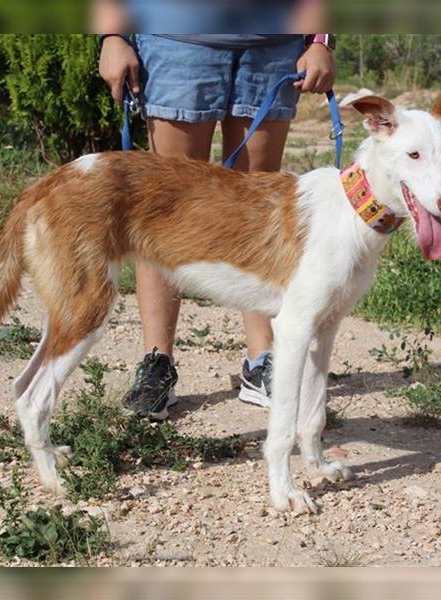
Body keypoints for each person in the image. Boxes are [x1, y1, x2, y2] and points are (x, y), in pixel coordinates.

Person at [97, 28, 336, 419]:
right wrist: (112, 35)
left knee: (259, 208)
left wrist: (321, 40)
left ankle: (262, 361)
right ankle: (157, 362)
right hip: (176, 36)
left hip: (273, 41)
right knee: (162, 211)